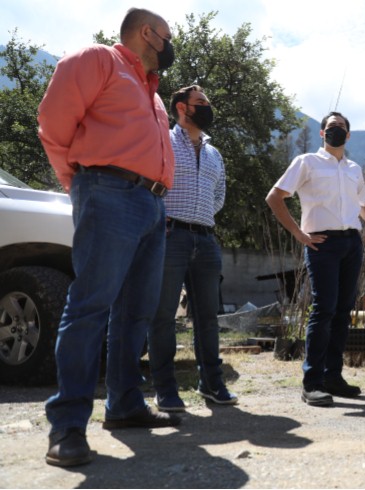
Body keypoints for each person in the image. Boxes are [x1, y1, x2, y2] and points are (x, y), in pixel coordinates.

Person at [37, 8, 181, 467]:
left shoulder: (154, 95)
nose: (171, 46)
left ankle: (123, 405)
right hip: (108, 191)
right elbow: (53, 122)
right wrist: (80, 183)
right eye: (168, 37)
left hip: (153, 205)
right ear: (147, 34)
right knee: (91, 306)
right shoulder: (99, 60)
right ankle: (67, 425)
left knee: (135, 312)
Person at [265, 111, 365, 407]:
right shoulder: (306, 162)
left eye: (341, 127)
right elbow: (275, 198)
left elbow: (364, 203)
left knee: (343, 312)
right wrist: (298, 234)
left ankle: (333, 378)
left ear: (349, 134)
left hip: (351, 244)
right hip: (321, 244)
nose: (336, 131)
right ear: (321, 133)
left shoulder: (354, 168)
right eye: (331, 127)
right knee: (323, 309)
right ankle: (312, 383)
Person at [147, 85, 237, 412]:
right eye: (201, 103)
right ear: (182, 107)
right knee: (163, 316)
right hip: (170, 236)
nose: (207, 107)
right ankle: (165, 388)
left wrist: (200, 218)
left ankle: (212, 383)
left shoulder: (215, 153)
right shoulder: (164, 140)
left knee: (207, 318)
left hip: (206, 240)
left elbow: (220, 196)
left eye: (208, 103)